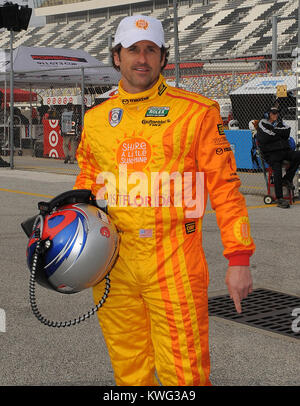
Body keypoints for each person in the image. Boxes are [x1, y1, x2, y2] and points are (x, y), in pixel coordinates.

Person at [73, 15, 255, 386]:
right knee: (129, 372)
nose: (142, 58)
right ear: (116, 57)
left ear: (162, 58)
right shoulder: (95, 119)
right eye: (133, 50)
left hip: (175, 264)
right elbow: (86, 183)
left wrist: (239, 259)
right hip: (112, 266)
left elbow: (226, 189)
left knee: (184, 376)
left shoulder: (197, 112)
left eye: (150, 50)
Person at [256, 106, 300, 208]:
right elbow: (266, 138)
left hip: (283, 151)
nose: (275, 115)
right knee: (277, 169)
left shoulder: (280, 123)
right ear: (267, 114)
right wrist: (279, 134)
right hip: (271, 153)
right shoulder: (262, 123)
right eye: (273, 113)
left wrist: (274, 131)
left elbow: (287, 132)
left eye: (276, 113)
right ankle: (279, 198)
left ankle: (287, 179)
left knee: (298, 155)